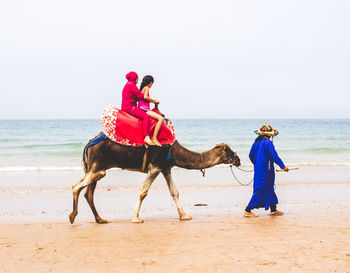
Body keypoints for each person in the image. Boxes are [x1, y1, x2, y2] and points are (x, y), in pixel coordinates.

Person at [244, 123, 289, 218]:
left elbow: (250, 155)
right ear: (269, 135)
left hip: (259, 169)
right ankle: (248, 209)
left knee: (269, 187)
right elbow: (274, 156)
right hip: (266, 170)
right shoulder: (268, 143)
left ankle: (273, 209)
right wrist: (283, 166)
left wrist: (257, 164)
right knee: (261, 188)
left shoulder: (256, 143)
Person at [121, 71, 157, 146]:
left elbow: (137, 97)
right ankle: (146, 137)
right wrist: (154, 101)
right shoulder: (131, 85)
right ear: (134, 79)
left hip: (128, 106)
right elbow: (142, 96)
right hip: (129, 107)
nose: (137, 80)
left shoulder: (128, 85)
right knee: (145, 117)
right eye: (137, 79)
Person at [138, 75, 165, 147]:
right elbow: (145, 97)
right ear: (150, 83)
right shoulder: (146, 88)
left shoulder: (142, 89)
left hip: (143, 108)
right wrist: (154, 101)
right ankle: (154, 138)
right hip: (144, 109)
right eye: (152, 83)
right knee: (161, 118)